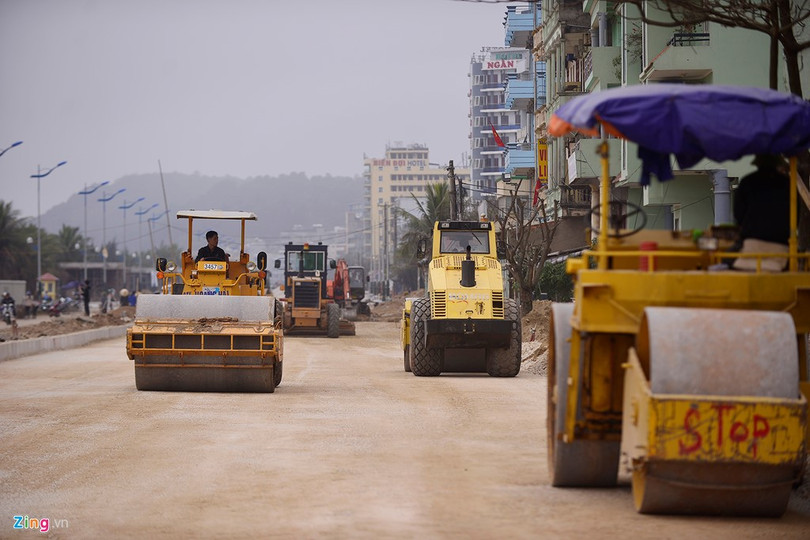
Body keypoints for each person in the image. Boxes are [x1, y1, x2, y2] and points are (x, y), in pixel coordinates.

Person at [733, 154, 791, 272]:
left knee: (724, 261)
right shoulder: (788, 184)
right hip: (781, 247)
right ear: (777, 164)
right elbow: (797, 215)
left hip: (751, 244)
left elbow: (738, 214)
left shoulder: (747, 182)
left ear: (758, 164)